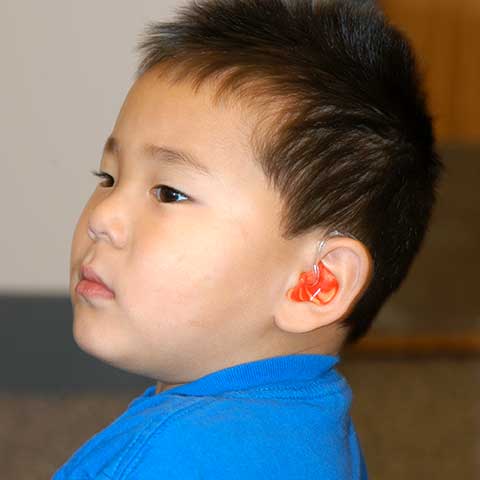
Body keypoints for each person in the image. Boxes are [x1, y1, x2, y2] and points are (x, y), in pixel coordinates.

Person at [53, 0, 444, 478]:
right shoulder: (311, 426)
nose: (103, 216)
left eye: (170, 193)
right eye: (108, 177)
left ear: (315, 282)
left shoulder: (172, 460)